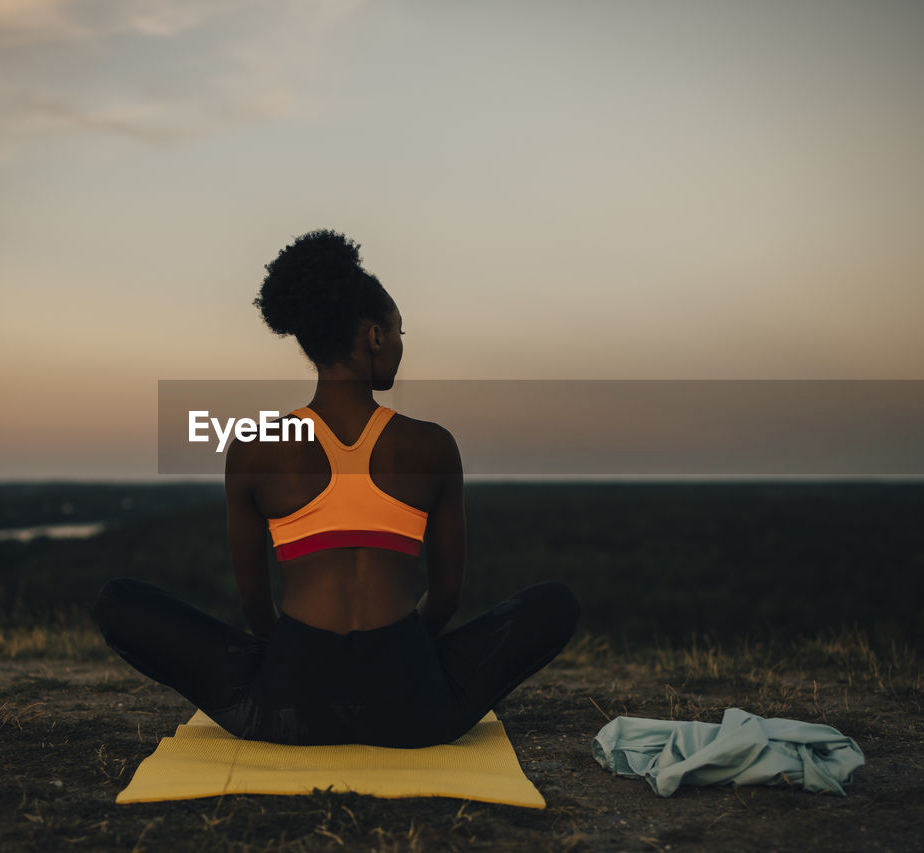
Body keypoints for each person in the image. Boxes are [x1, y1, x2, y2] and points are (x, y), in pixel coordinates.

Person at [92, 229, 579, 748]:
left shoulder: (255, 447)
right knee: (556, 604)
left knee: (118, 600)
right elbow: (446, 596)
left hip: (292, 707)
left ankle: (297, 694)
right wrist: (398, 658)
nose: (399, 346)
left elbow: (256, 607)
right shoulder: (432, 446)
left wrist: (302, 664)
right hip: (413, 707)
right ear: (373, 336)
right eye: (399, 333)